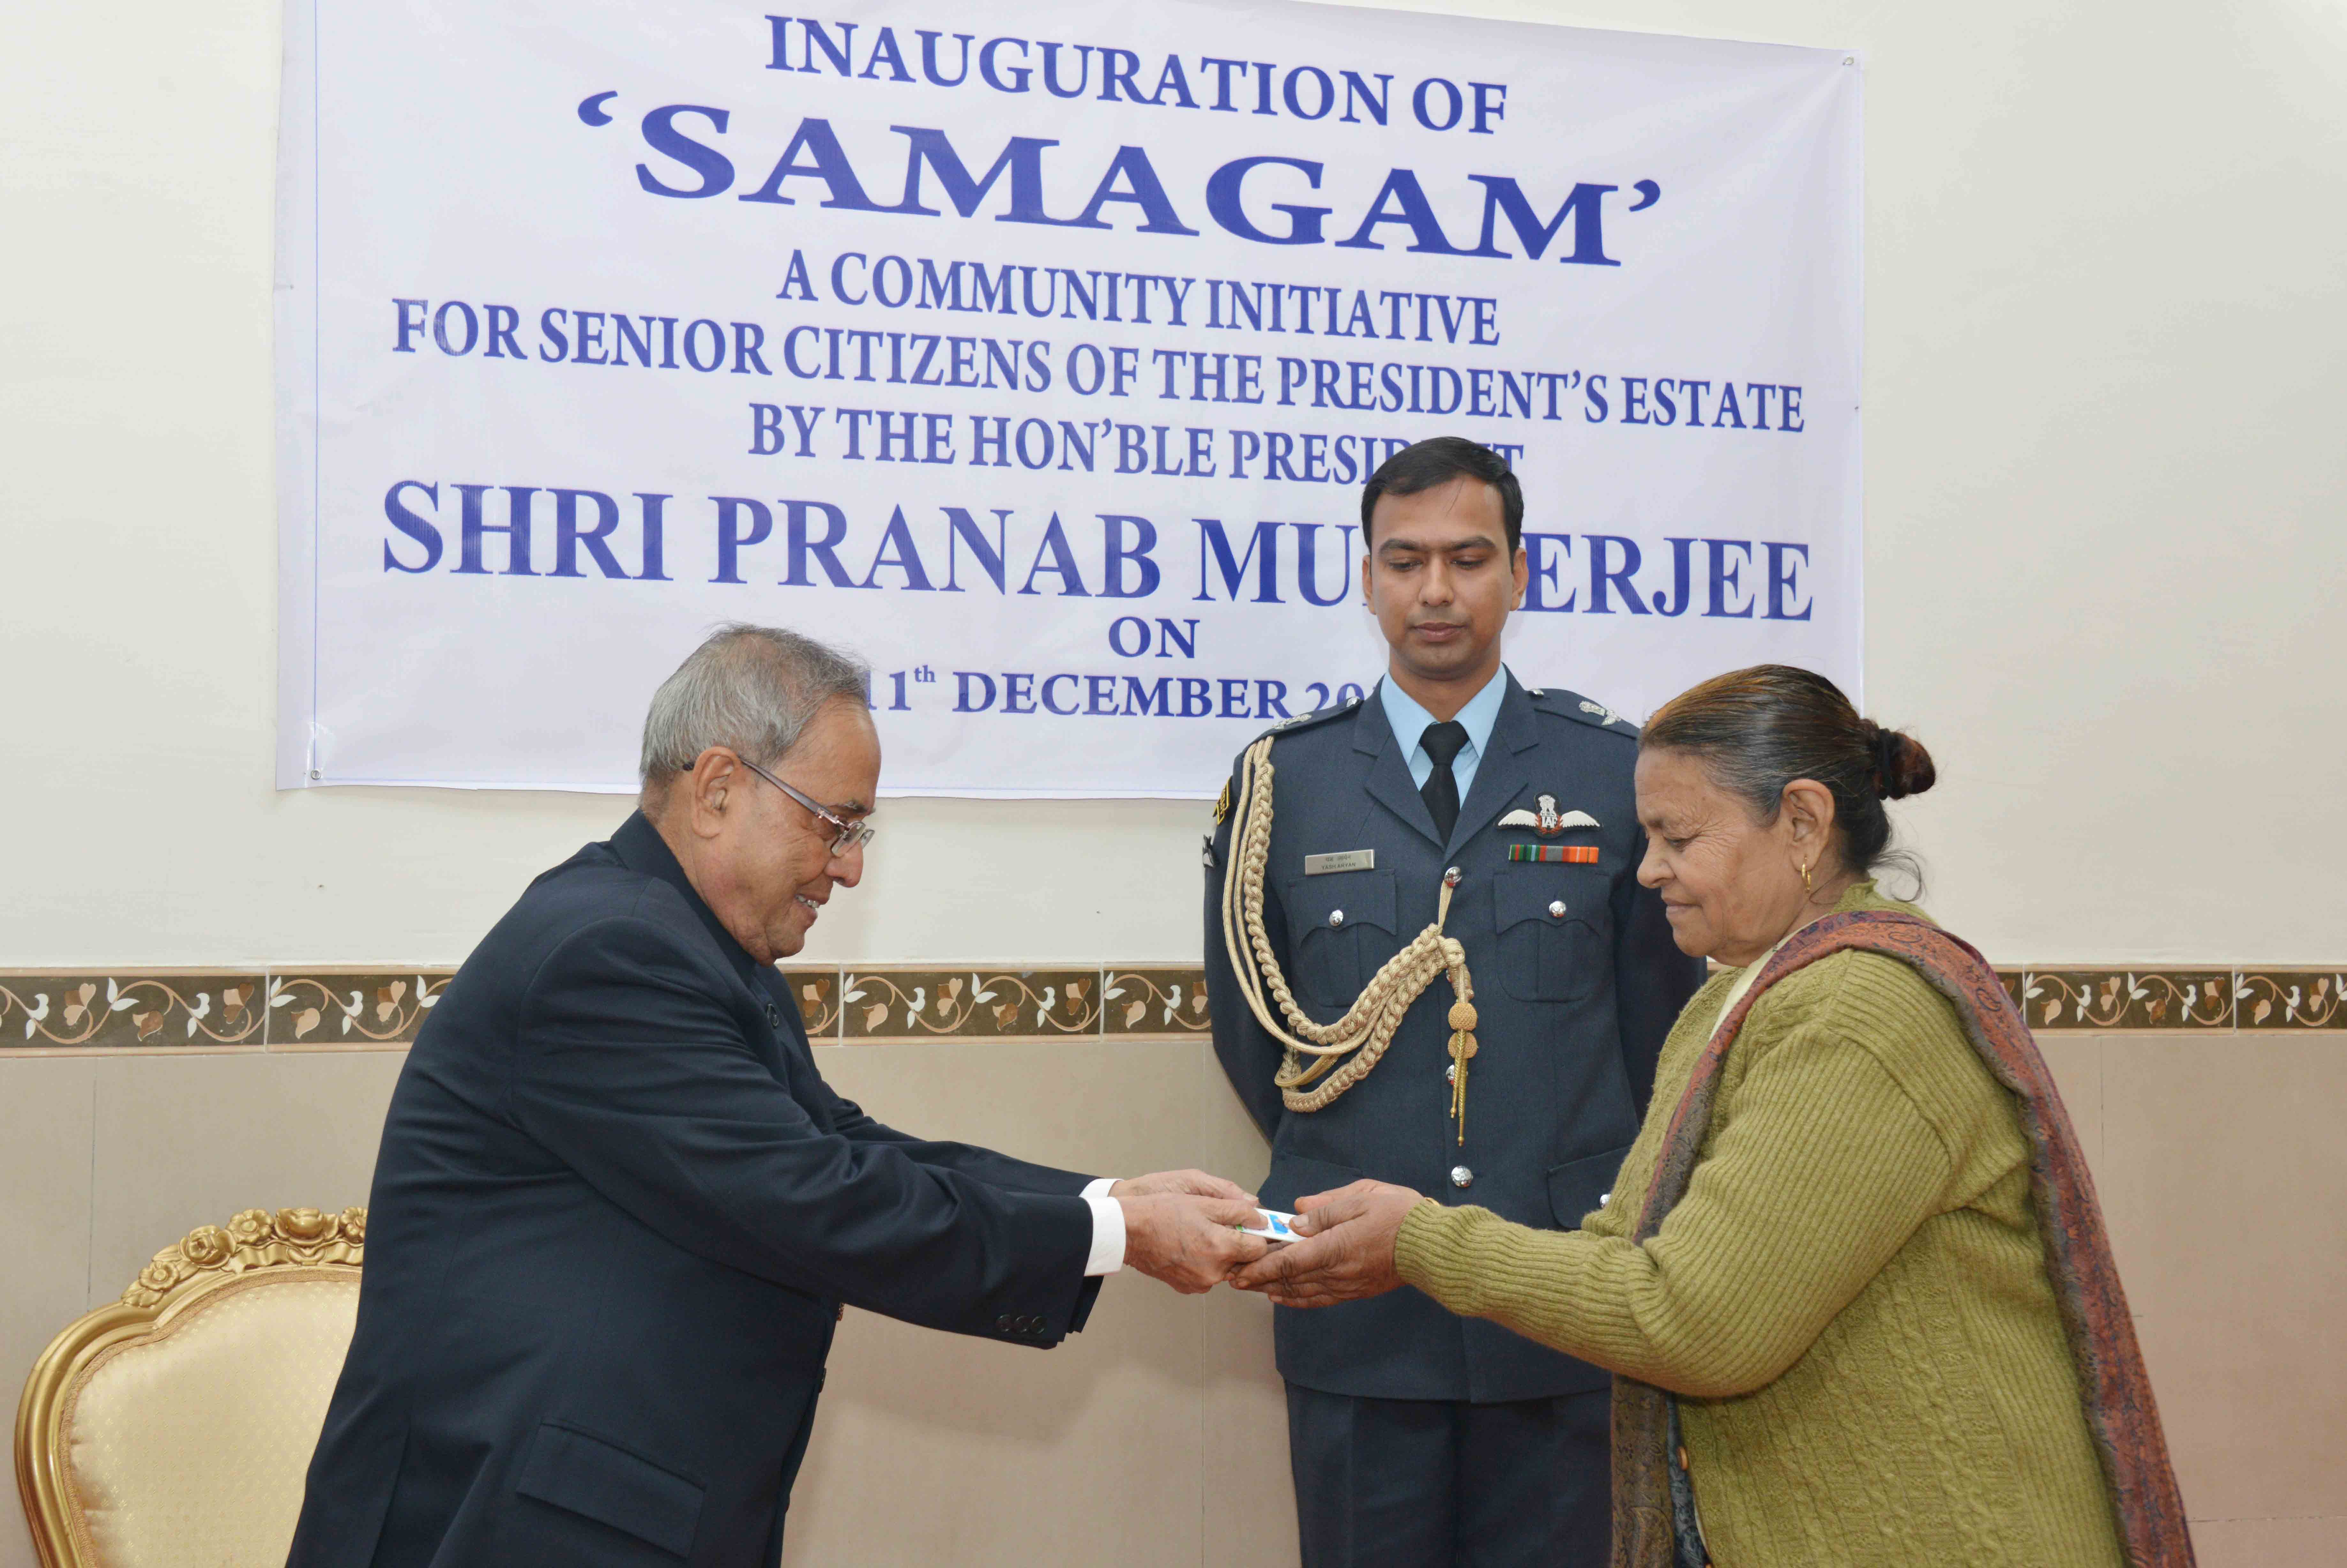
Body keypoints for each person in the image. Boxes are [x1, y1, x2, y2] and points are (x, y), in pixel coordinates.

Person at [289, 624, 1267, 1568]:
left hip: (616, 1503)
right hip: (514, 1519)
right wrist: (1116, 1238)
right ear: (717, 787)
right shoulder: (611, 955)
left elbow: (842, 1147)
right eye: (834, 823)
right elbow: (816, 1197)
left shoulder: (692, 941)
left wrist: (1108, 1203)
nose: (849, 866)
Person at [1234, 664, 2194, 1568]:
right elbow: (1623, 1253)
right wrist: (1404, 1235)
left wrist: (1424, 1245)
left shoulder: (1863, 1015)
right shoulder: (1736, 997)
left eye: (1679, 839)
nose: (1647, 871)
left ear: (1805, 823)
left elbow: (1692, 1319)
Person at [1204, 437, 1708, 1568]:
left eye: (1469, 558)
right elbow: (1257, 1040)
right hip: (1354, 1311)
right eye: (1406, 560)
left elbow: (1658, 1035)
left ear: (1520, 574)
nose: (1436, 590)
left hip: (1556, 1295)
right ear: (1367, 576)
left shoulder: (1611, 779)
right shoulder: (1286, 781)